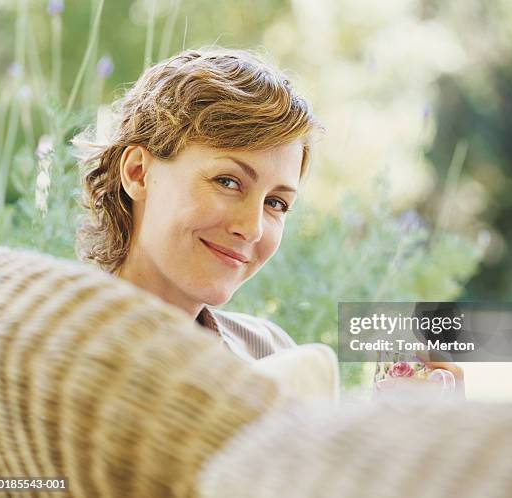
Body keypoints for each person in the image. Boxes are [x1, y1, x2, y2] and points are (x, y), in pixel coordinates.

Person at [73, 46, 465, 395]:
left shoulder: (271, 352)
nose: (253, 227)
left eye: (276, 203)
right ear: (139, 173)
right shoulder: (55, 350)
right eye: (228, 182)